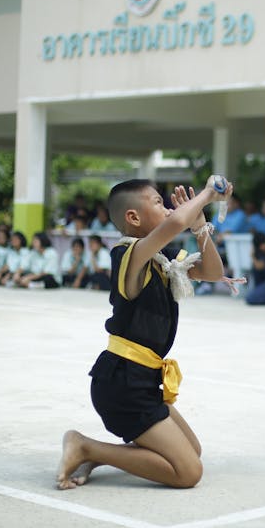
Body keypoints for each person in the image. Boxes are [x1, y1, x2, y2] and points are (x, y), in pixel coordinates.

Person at [55, 177, 230, 490]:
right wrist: (205, 195)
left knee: (193, 452)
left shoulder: (164, 261)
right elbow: (176, 221)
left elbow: (214, 273)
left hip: (143, 381)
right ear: (133, 218)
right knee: (188, 473)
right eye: (158, 203)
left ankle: (99, 454)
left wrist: (200, 224)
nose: (167, 209)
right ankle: (85, 446)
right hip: (122, 384)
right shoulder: (129, 255)